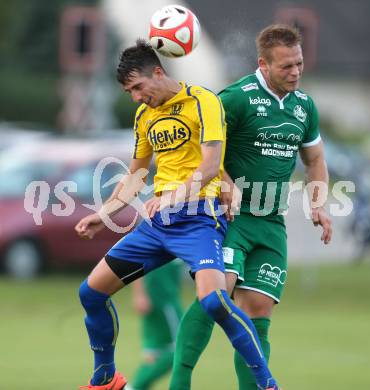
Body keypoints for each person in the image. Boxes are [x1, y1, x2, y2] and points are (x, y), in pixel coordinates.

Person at [75, 39, 281, 390]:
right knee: (91, 293)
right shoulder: (144, 116)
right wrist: (104, 213)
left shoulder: (204, 101)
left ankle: (266, 383)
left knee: (214, 301)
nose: (136, 96)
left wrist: (171, 196)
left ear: (158, 72)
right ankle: (105, 378)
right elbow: (136, 175)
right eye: (129, 92)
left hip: (201, 219)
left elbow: (211, 166)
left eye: (138, 87)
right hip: (159, 224)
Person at [170, 24, 332, 390]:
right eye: (286, 66)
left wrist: (319, 204)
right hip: (231, 219)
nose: (295, 72)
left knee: (258, 308)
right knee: (217, 296)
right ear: (263, 63)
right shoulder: (236, 98)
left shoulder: (304, 107)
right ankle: (179, 382)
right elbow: (202, 148)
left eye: (299, 64)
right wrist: (225, 183)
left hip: (272, 224)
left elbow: (316, 158)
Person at [127, 260, 183, 390]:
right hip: (163, 301)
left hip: (166, 299)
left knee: (153, 356)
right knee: (181, 349)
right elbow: (136, 260)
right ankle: (133, 387)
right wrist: (139, 294)